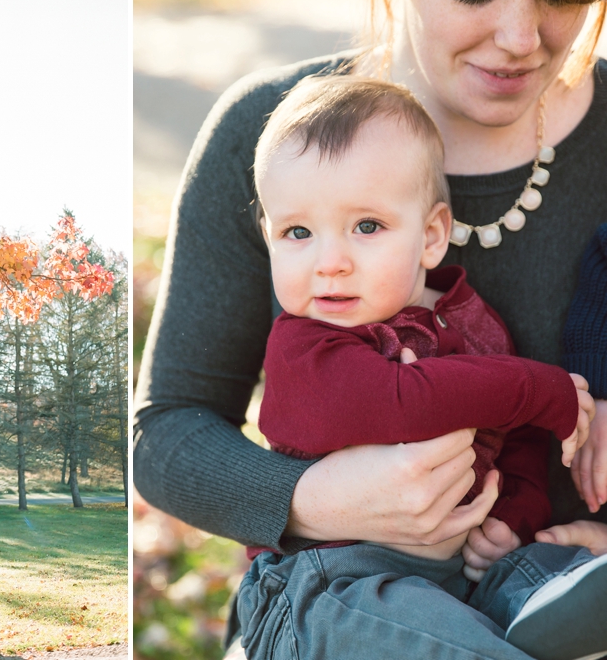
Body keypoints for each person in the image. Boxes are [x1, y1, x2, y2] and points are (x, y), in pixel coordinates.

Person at [132, 0, 607, 656]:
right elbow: (166, 434)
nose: (520, 37)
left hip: (533, 581)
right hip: (339, 599)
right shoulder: (273, 135)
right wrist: (318, 498)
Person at [237, 72, 607, 660]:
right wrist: (539, 388)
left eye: (367, 227)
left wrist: (512, 515)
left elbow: (514, 444)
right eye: (298, 232)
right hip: (328, 587)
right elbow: (402, 400)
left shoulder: (468, 322)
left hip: (455, 579)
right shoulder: (301, 347)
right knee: (428, 634)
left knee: (532, 564)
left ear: (431, 235)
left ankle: (546, 603)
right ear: (269, 237)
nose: (330, 262)